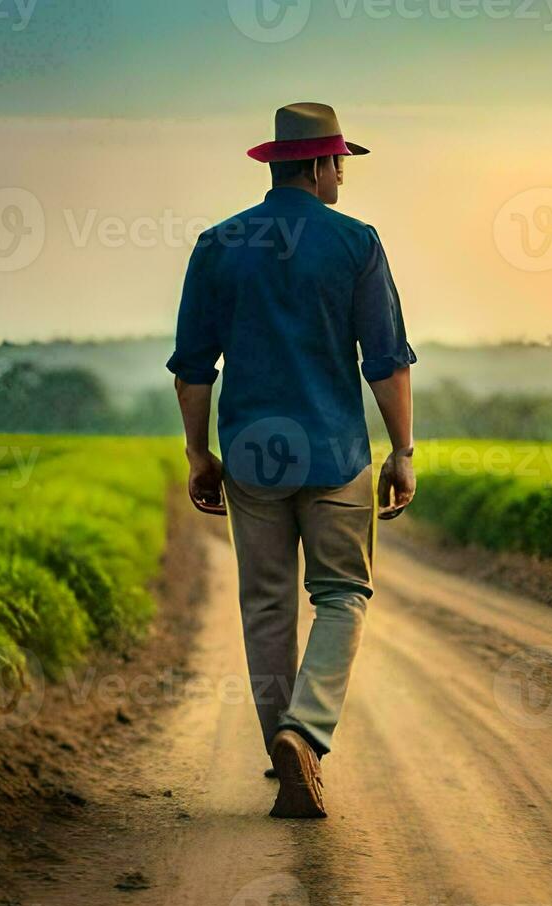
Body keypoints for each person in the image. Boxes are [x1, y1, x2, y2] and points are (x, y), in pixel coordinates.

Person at [166, 102, 417, 819]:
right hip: (336, 451)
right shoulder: (356, 243)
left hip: (251, 457)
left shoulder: (218, 244)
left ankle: (284, 748)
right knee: (342, 595)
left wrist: (198, 454)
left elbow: (193, 369)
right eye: (339, 161)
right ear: (315, 165)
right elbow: (387, 362)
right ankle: (303, 733)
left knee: (266, 604)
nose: (342, 174)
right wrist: (402, 451)